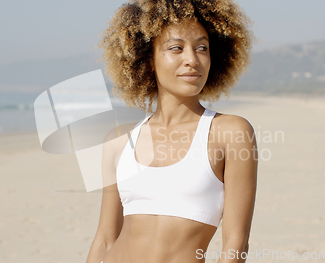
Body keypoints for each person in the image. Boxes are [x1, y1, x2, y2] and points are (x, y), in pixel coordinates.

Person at [87, 0, 257, 262]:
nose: (192, 59)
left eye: (202, 48)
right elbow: (104, 239)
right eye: (176, 48)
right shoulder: (118, 141)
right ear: (148, 60)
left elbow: (236, 242)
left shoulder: (230, 132)